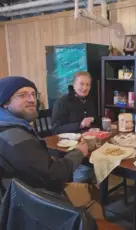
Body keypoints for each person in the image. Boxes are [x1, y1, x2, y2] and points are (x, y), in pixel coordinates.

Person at [0, 76, 104, 220]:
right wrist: (78, 153)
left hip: (27, 192)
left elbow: (34, 165)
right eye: (22, 95)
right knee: (93, 198)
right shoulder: (14, 135)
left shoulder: (10, 126)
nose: (31, 99)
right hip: (33, 202)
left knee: (94, 190)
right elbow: (53, 173)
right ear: (5, 102)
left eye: (33, 94)